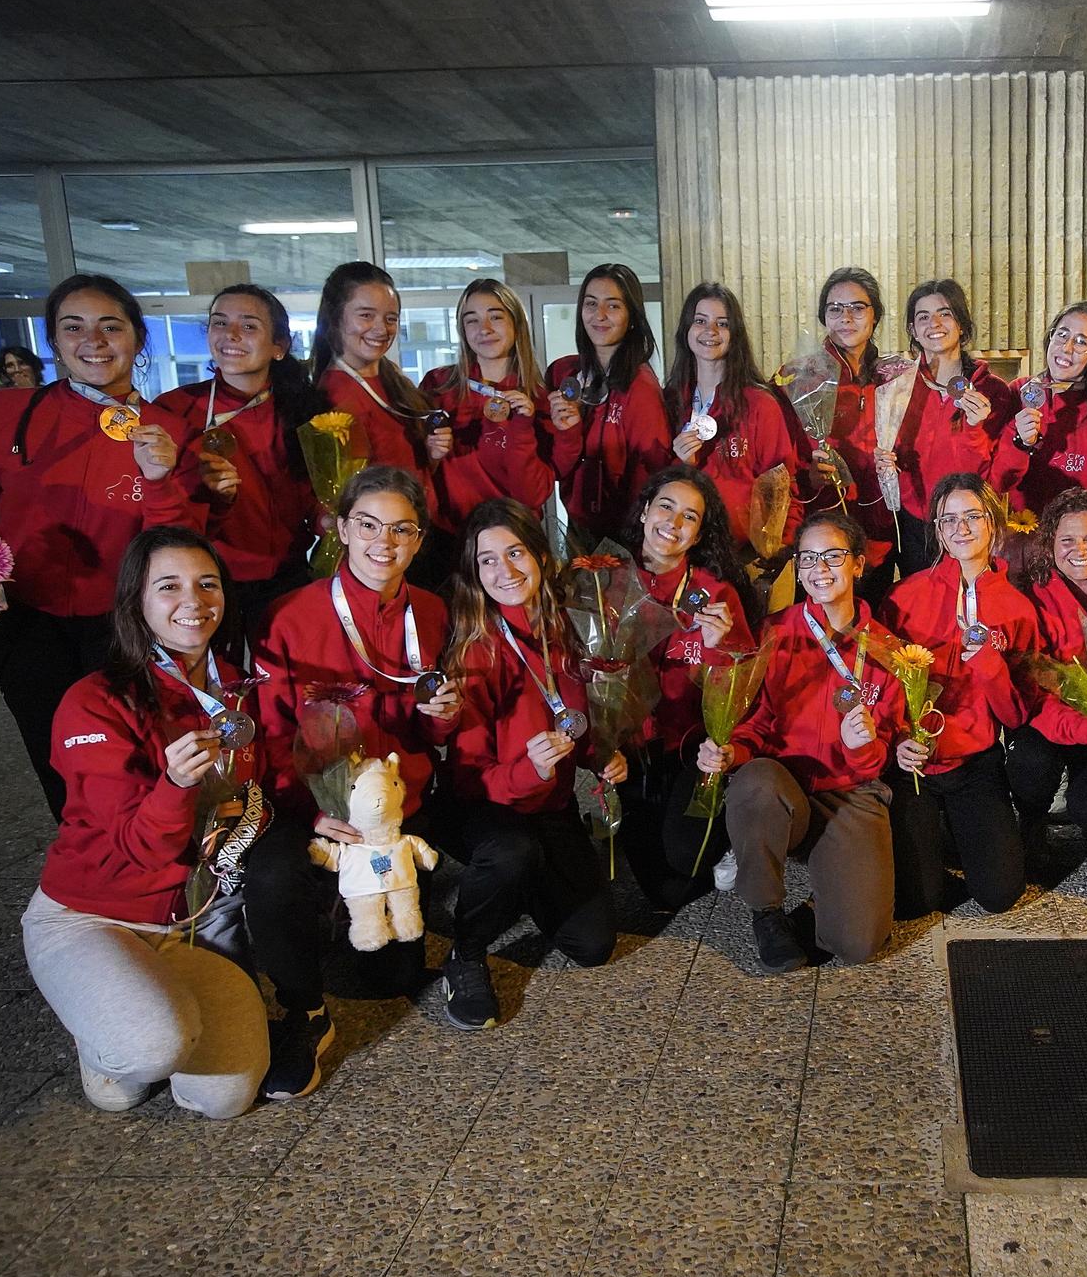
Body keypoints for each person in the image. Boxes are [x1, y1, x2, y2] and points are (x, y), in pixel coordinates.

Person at [245, 465, 479, 1098]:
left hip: (398, 809)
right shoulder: (289, 616)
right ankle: (303, 1010)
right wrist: (307, 809)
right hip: (316, 807)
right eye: (369, 525)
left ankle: (351, 912)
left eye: (402, 529)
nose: (385, 543)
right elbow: (267, 736)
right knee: (270, 876)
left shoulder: (431, 614)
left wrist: (442, 721)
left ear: (421, 538)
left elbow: (432, 730)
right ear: (340, 528)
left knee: (388, 979)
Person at [22, 526, 270, 1118]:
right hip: (90, 916)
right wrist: (176, 784)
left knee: (223, 1099)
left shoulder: (234, 686)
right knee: (142, 1057)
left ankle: (149, 1003)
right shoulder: (93, 700)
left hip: (185, 925)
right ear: (136, 600)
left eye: (207, 584)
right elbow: (138, 847)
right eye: (169, 586)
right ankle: (106, 1033)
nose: (194, 601)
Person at [0, 274, 198, 819]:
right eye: (74, 327)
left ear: (137, 338)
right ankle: (80, 853)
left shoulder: (167, 429)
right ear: (54, 342)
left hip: (122, 620)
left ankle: (142, 852)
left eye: (111, 326)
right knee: (51, 745)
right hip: (22, 613)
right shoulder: (3, 415)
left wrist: (159, 476)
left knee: (132, 746)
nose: (94, 340)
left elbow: (174, 542)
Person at [699, 512, 907, 971]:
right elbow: (754, 720)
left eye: (832, 555)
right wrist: (733, 750)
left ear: (857, 565)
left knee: (858, 944)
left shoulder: (889, 652)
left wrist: (862, 746)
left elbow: (881, 756)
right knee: (755, 785)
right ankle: (766, 911)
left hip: (850, 790)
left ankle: (826, 889)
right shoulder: (774, 633)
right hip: (782, 781)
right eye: (808, 557)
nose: (819, 568)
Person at [443, 498, 619, 974]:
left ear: (541, 556)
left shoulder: (575, 625)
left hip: (552, 807)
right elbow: (467, 780)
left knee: (592, 945)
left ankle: (525, 882)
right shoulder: (477, 648)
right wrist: (530, 769)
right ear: (474, 572)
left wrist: (602, 754)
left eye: (516, 553)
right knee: (513, 854)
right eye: (487, 560)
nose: (505, 570)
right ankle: (467, 949)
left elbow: (582, 724)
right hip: (492, 810)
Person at [880, 473, 1039, 916]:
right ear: (935, 529)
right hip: (915, 767)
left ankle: (962, 834)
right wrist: (895, 741)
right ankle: (937, 837)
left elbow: (1014, 714)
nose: (961, 528)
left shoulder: (1018, 607)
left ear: (994, 523)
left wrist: (989, 663)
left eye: (972, 516)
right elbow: (878, 687)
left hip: (975, 765)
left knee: (999, 895)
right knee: (919, 900)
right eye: (948, 519)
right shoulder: (905, 596)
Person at [147, 284, 324, 636]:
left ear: (279, 347)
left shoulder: (307, 410)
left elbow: (316, 495)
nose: (231, 335)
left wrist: (329, 519)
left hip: (287, 576)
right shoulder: (174, 410)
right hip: (206, 578)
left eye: (248, 325)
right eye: (219, 322)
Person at [618, 466, 757, 911]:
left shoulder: (715, 595)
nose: (673, 524)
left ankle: (735, 823)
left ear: (698, 535)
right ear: (643, 512)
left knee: (684, 870)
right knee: (659, 890)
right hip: (630, 752)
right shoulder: (603, 582)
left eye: (690, 517)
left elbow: (744, 695)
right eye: (665, 507)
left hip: (691, 754)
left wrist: (722, 648)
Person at [1007, 489, 1087, 846]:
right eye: (1066, 540)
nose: (1079, 550)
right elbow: (1033, 695)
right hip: (1056, 718)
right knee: (1030, 763)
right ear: (1049, 544)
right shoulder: (1032, 597)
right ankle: (1031, 817)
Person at [310, 261, 451, 584]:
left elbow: (400, 466)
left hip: (417, 538)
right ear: (335, 318)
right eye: (365, 315)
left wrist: (431, 455)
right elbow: (339, 494)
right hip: (385, 553)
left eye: (390, 318)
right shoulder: (333, 395)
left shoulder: (392, 380)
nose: (381, 328)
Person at [871, 279, 1017, 581]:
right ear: (912, 330)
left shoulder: (995, 392)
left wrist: (975, 429)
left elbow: (1001, 476)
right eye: (922, 316)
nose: (933, 323)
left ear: (961, 324)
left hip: (970, 524)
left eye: (945, 313)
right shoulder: (895, 387)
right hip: (914, 523)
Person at [661, 282, 804, 562]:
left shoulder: (760, 404)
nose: (710, 331)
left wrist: (772, 556)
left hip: (744, 557)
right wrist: (681, 464)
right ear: (686, 330)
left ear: (735, 334)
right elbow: (655, 484)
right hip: (679, 550)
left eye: (722, 324)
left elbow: (784, 488)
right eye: (700, 321)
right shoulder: (670, 401)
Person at [989, 302, 1087, 515]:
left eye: (1081, 342)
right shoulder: (1018, 392)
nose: (1066, 348)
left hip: (1074, 540)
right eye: (1062, 335)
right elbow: (997, 484)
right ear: (1050, 337)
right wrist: (1020, 443)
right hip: (1019, 534)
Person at [545, 263, 668, 545]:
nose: (599, 315)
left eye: (613, 306)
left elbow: (653, 475)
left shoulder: (640, 387)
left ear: (632, 316)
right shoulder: (562, 374)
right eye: (591, 304)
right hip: (577, 526)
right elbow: (551, 461)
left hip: (628, 533)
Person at [418, 278, 555, 531]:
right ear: (462, 329)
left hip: (514, 539)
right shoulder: (438, 387)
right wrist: (430, 454)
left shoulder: (538, 400)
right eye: (472, 320)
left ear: (517, 324)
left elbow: (534, 496)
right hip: (447, 539)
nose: (484, 328)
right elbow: (413, 467)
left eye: (496, 317)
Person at [795, 267, 895, 590]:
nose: (846, 317)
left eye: (857, 307)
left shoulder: (894, 379)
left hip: (879, 534)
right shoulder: (799, 378)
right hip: (822, 536)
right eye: (835, 309)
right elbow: (779, 460)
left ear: (875, 315)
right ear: (824, 317)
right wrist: (807, 475)